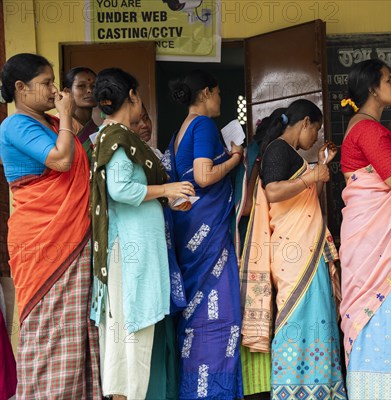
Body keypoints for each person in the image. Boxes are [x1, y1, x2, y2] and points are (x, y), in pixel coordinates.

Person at [0, 53, 101, 398]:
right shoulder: (15, 124)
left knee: (75, 335)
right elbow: (60, 160)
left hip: (71, 237)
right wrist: (68, 117)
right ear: (20, 88)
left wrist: (63, 120)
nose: (54, 89)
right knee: (49, 335)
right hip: (43, 241)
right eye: (46, 82)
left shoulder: (52, 124)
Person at [89, 68, 191, 399]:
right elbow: (121, 189)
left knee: (125, 336)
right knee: (131, 333)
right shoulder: (118, 137)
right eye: (139, 96)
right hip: (130, 253)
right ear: (132, 95)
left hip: (129, 248)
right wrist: (165, 189)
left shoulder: (110, 134)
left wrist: (167, 198)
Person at [239, 99, 346, 400]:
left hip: (306, 251)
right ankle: (293, 390)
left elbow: (308, 198)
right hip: (293, 257)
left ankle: (319, 387)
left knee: (317, 319)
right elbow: (273, 191)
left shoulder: (292, 155)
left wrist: (320, 168)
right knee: (295, 320)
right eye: (316, 130)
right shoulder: (277, 150)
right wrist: (311, 175)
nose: (316, 138)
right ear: (305, 123)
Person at [339, 59, 391, 398]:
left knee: (380, 310)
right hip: (376, 244)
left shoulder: (366, 126)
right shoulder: (368, 129)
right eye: (388, 80)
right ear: (373, 87)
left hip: (373, 238)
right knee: (382, 309)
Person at [164, 69, 244, 399]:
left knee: (197, 319)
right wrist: (235, 158)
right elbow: (204, 174)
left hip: (190, 230)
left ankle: (197, 388)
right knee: (218, 313)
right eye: (219, 94)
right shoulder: (203, 125)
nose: (220, 101)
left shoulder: (180, 131)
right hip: (207, 238)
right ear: (207, 93)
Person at [231, 112, 282, 400]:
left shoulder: (254, 152)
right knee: (259, 317)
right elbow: (247, 204)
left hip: (259, 245)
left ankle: (258, 389)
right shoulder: (259, 156)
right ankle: (259, 390)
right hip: (253, 245)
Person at [61, 67, 98, 161]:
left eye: (94, 86)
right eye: (81, 86)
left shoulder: (96, 128)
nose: (89, 90)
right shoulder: (61, 124)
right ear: (67, 92)